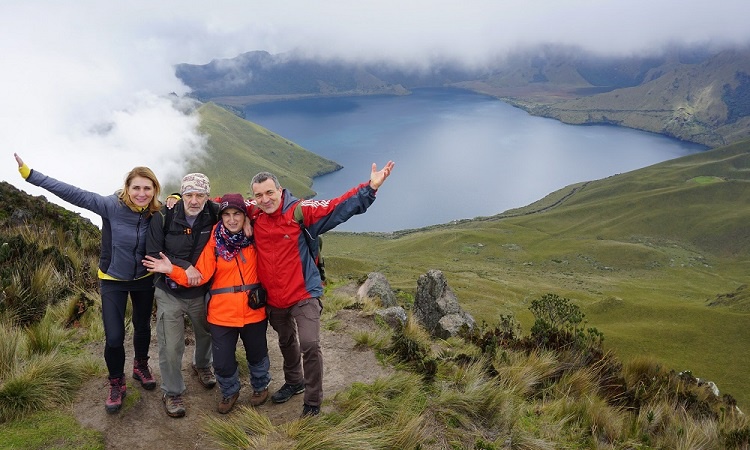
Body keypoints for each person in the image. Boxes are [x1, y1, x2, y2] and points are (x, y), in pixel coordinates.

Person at [14, 152, 161, 414]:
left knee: (142, 327)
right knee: (114, 337)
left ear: (154, 189)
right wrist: (31, 175)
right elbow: (74, 193)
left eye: (147, 188)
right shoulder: (110, 206)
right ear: (127, 188)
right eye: (136, 187)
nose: (141, 193)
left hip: (144, 278)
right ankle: (116, 381)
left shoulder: (156, 212)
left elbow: (196, 212)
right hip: (113, 280)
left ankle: (140, 366)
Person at [249, 161, 394, 417]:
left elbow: (338, 207)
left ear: (280, 191)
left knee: (310, 343)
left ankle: (313, 401)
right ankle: (294, 382)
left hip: (304, 293)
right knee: (285, 340)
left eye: (269, 192)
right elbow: (224, 206)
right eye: (259, 195)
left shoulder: (300, 211)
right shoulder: (254, 213)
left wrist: (370, 188)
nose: (265, 199)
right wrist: (177, 201)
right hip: (274, 297)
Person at [143, 193, 271, 415]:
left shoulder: (256, 236)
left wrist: (251, 217)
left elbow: (266, 203)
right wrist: (171, 270)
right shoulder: (214, 243)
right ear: (220, 217)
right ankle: (230, 391)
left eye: (238, 214)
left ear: (245, 216)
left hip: (253, 310)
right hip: (222, 314)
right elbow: (199, 276)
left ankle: (261, 387)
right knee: (221, 361)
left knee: (257, 354)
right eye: (227, 215)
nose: (232, 219)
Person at [145, 173, 219, 418]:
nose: (194, 200)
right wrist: (184, 266)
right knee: (170, 344)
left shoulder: (215, 213)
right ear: (181, 194)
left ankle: (202, 365)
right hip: (169, 291)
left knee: (206, 332)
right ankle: (172, 390)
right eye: (188, 195)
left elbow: (237, 211)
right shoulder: (163, 216)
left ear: (208, 196)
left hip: (202, 291)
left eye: (200, 195)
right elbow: (153, 255)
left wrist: (247, 222)